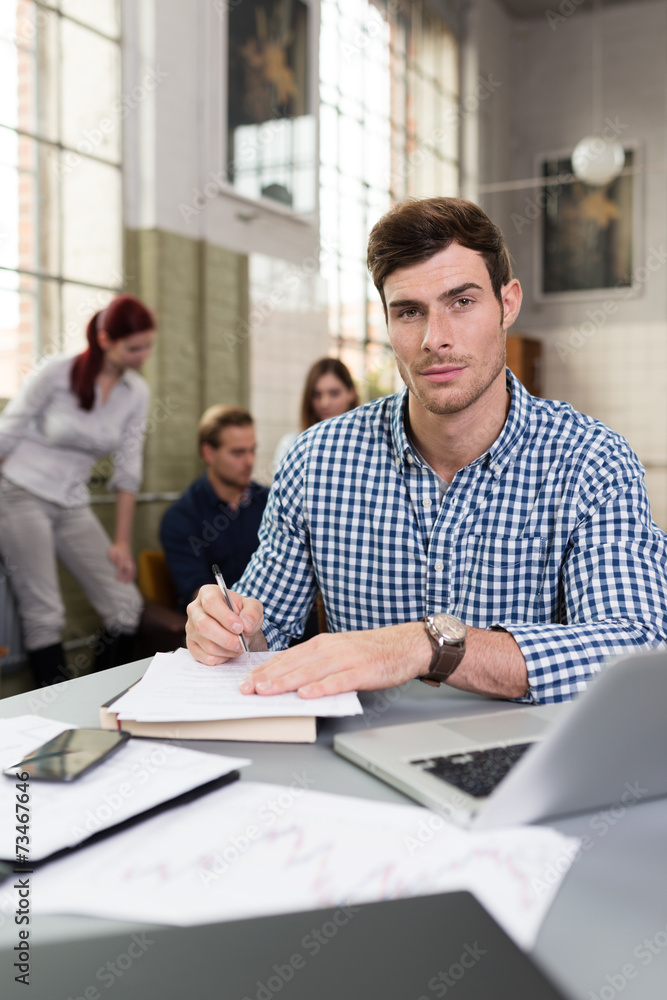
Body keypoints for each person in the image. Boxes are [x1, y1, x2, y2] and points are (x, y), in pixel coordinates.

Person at [185, 196, 667, 705]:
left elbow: (636, 647)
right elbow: (265, 634)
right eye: (410, 312)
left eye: (462, 301)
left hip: (527, 766)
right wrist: (228, 632)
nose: (436, 339)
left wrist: (426, 646)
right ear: (389, 324)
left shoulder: (592, 461)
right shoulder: (314, 462)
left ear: (508, 303)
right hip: (360, 763)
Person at [0, 294, 155, 686]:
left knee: (126, 605)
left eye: (148, 345)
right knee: (45, 615)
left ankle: (94, 700)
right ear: (105, 340)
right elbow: (8, 432)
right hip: (20, 493)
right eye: (134, 347)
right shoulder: (56, 372)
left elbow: (128, 472)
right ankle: (54, 721)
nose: (143, 355)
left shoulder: (136, 393)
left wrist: (121, 542)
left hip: (72, 502)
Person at [160, 406, 269, 612]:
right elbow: (199, 594)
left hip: (280, 618)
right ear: (208, 453)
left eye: (252, 450)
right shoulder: (181, 518)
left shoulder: (271, 502)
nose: (250, 461)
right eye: (238, 452)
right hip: (226, 624)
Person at [272, 357, 359, 473]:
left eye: (334, 394)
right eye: (317, 395)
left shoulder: (365, 442)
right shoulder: (291, 444)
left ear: (351, 393)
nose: (324, 403)